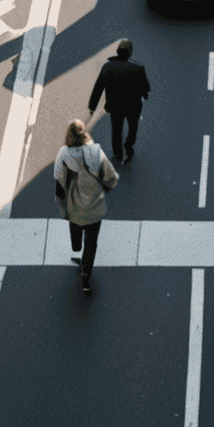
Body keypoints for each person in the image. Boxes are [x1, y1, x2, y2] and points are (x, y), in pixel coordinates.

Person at [54, 119, 118, 297]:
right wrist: (104, 189)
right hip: (94, 207)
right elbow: (111, 176)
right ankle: (86, 272)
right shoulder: (95, 152)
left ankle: (76, 247)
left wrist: (62, 207)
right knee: (91, 241)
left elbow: (59, 182)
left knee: (76, 227)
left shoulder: (64, 154)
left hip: (74, 207)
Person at [88, 39, 151, 164]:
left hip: (115, 106)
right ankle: (128, 146)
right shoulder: (138, 68)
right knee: (133, 128)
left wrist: (92, 106)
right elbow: (145, 89)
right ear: (130, 53)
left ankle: (117, 154)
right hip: (133, 106)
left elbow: (98, 88)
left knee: (116, 130)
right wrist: (144, 95)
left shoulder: (108, 67)